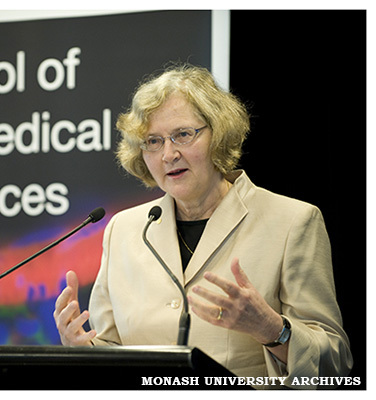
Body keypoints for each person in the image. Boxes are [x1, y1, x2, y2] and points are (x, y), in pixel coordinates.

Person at [53, 63, 353, 389]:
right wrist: (82, 348)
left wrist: (271, 328)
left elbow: (335, 365)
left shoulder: (293, 221)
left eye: (182, 135)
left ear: (219, 133)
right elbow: (112, 353)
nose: (168, 154)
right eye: (153, 141)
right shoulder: (123, 230)